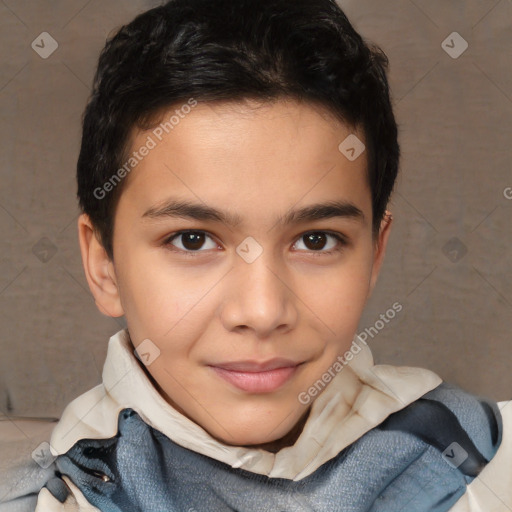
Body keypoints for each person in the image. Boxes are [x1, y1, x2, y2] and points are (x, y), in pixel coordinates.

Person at [1, 0, 510, 510]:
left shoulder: (484, 464)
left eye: (316, 240)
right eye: (193, 240)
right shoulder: (51, 497)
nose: (263, 312)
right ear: (103, 265)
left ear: (375, 253)